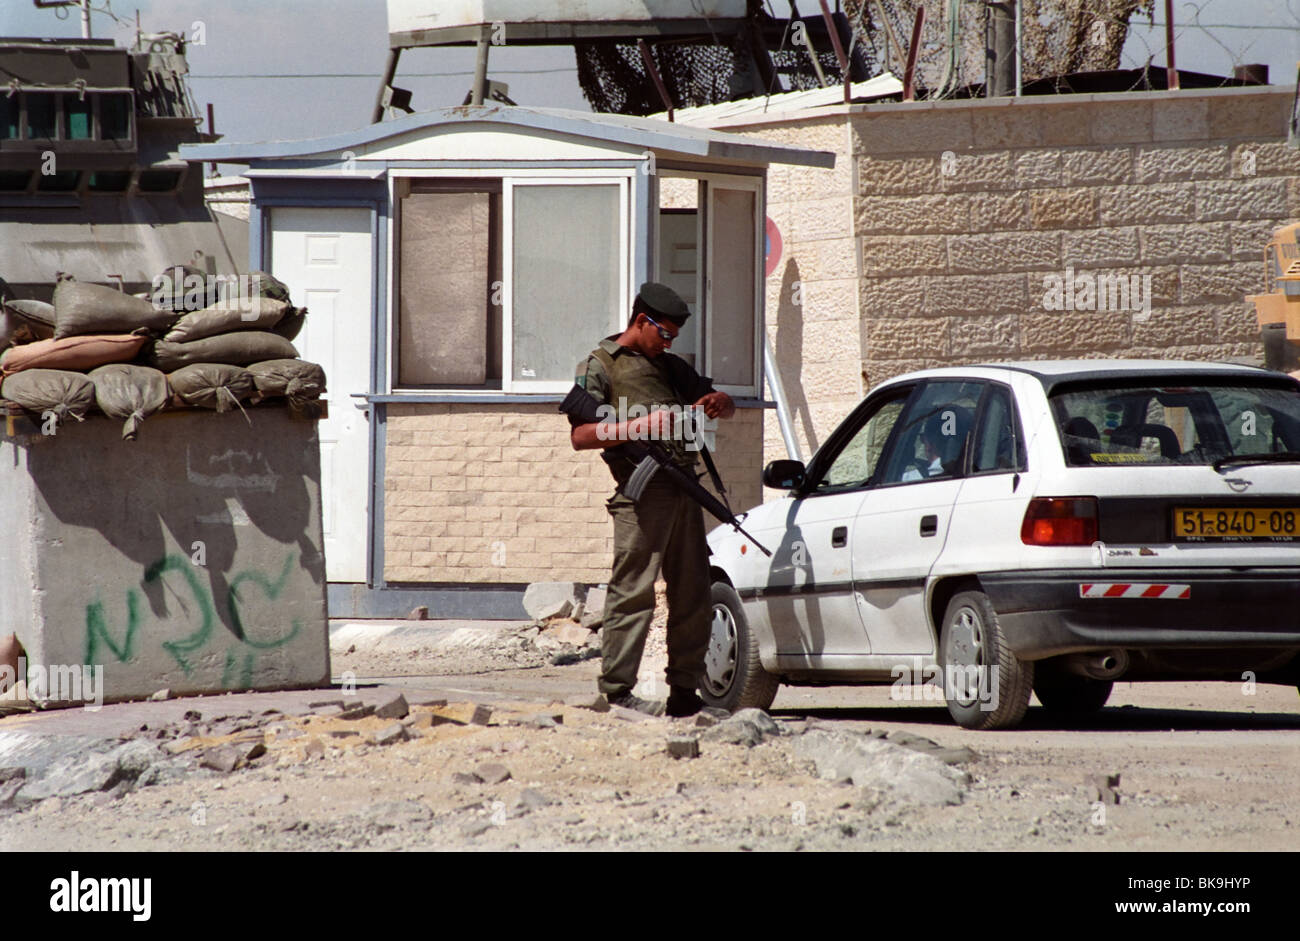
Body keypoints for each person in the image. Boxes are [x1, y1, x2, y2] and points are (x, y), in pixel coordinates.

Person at [566, 283, 735, 717]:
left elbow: (722, 403)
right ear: (641, 321)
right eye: (663, 333)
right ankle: (618, 691)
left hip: (684, 487)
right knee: (634, 593)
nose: (668, 343)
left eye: (674, 337)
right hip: (642, 497)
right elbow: (581, 435)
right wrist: (636, 428)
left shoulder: (670, 367)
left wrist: (718, 402)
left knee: (694, 593)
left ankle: (684, 692)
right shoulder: (601, 365)